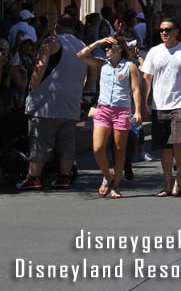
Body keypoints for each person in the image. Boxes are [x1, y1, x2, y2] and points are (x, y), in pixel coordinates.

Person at [16, 16, 95, 191]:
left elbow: (40, 67)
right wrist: (84, 90)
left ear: (55, 26)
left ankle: (34, 177)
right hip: (71, 101)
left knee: (41, 141)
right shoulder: (82, 46)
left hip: (47, 102)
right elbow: (93, 70)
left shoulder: (52, 41)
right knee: (66, 143)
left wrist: (32, 89)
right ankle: (64, 177)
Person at [140, 18, 181, 197]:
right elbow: (147, 78)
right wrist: (143, 104)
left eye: (168, 30)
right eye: (161, 30)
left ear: (177, 31)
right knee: (164, 147)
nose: (164, 33)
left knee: (178, 141)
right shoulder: (154, 52)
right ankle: (168, 183)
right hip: (159, 105)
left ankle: (180, 178)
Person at [77, 36, 141, 198]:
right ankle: (107, 175)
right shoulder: (101, 64)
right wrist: (97, 42)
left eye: (109, 46)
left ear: (120, 48)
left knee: (119, 150)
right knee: (98, 148)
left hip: (122, 110)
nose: (106, 49)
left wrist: (138, 111)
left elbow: (135, 90)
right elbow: (81, 55)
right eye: (105, 47)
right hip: (103, 109)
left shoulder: (130, 66)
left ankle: (117, 185)